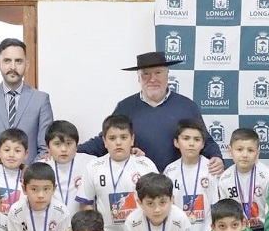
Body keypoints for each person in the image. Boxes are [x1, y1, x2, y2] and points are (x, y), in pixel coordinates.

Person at [77, 52, 223, 175]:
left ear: (167, 75)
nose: (152, 79)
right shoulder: (126, 107)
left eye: (158, 72)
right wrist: (73, 149)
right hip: (137, 182)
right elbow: (105, 139)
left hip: (178, 181)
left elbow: (204, 139)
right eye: (146, 74)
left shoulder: (187, 106)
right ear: (138, 78)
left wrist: (216, 156)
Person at [0, 38, 54, 164]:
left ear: (27, 65)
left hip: (30, 177)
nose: (13, 66)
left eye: (18, 61)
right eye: (7, 61)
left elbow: (45, 149)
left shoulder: (41, 100)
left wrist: (28, 173)